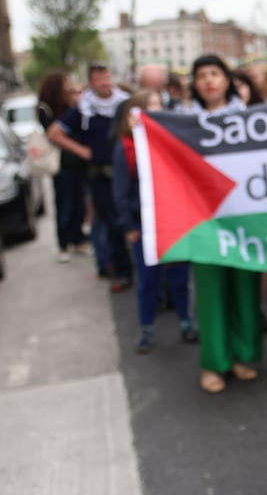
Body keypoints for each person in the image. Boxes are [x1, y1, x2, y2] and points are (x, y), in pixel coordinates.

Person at [185, 54, 264, 394]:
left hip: (244, 215)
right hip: (203, 220)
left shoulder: (252, 119)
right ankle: (215, 362)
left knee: (245, 286)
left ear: (227, 78)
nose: (209, 80)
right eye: (201, 75)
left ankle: (243, 356)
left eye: (215, 72)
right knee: (210, 291)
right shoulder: (182, 123)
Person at [112, 89, 197, 354]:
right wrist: (129, 226)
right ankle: (146, 329)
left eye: (158, 105)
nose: (154, 111)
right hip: (144, 225)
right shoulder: (126, 148)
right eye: (148, 106)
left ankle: (186, 323)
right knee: (148, 281)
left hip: (173, 221)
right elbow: (121, 190)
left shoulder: (171, 139)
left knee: (180, 278)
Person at [47, 63, 132, 291]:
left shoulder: (125, 103)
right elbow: (55, 133)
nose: (105, 83)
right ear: (91, 82)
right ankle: (122, 270)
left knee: (133, 219)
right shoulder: (84, 109)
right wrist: (81, 150)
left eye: (107, 77)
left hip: (129, 172)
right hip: (100, 175)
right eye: (99, 79)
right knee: (112, 224)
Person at [37, 71, 89, 262]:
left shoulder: (68, 106)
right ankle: (63, 243)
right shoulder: (45, 109)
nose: (68, 89)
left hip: (76, 163)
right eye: (65, 85)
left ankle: (78, 239)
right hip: (62, 165)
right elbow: (55, 131)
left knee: (78, 202)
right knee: (64, 204)